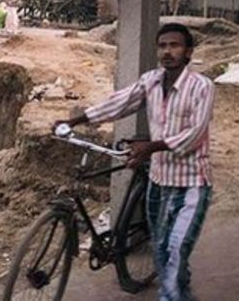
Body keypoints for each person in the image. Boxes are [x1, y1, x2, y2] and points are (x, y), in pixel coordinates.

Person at [55, 23, 214, 301]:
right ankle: (180, 293)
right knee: (162, 248)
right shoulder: (151, 81)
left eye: (174, 45)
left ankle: (172, 296)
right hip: (158, 180)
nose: (167, 51)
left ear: (188, 52)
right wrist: (75, 120)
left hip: (192, 183)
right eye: (162, 46)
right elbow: (118, 103)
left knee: (176, 248)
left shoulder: (202, 86)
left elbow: (196, 134)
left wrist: (151, 146)